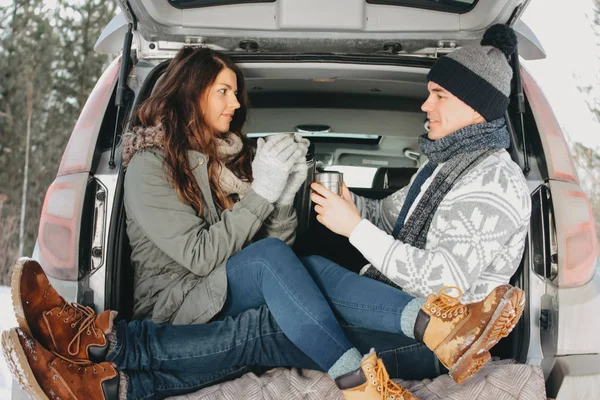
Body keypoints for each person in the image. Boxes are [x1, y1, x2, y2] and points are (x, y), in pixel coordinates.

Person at [2, 32, 525, 400]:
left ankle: (108, 357)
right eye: (224, 90)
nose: (235, 103)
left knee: (284, 303)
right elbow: (213, 251)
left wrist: (299, 207)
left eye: (436, 95)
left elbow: (260, 244)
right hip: (184, 295)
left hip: (216, 291)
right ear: (191, 92)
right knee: (282, 276)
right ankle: (109, 358)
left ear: (474, 104)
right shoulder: (158, 165)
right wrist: (290, 196)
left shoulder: (489, 178)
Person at [311, 24, 532, 305]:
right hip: (400, 303)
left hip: (433, 332)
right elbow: (386, 217)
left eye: (440, 95)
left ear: (477, 107)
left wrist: (355, 229)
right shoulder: (440, 165)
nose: (426, 105)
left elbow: (445, 284)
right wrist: (343, 199)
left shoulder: (495, 181)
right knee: (306, 268)